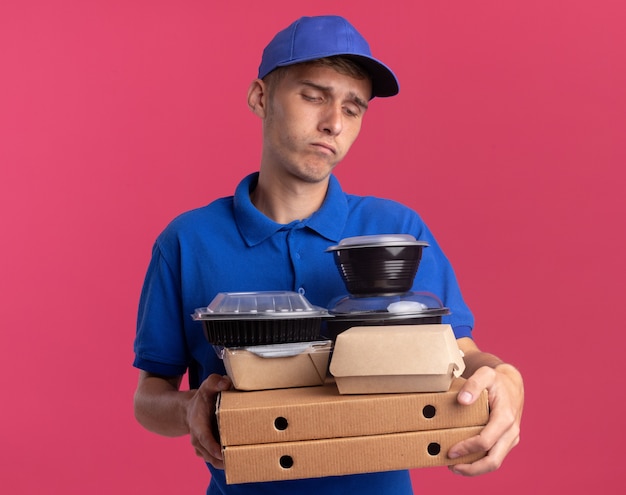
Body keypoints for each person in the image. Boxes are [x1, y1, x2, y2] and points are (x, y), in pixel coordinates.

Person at [133, 15, 524, 495]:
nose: (333, 123)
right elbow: (149, 396)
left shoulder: (397, 232)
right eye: (313, 95)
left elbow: (461, 354)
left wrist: (505, 377)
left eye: (353, 107)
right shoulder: (188, 241)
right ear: (261, 98)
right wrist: (189, 407)